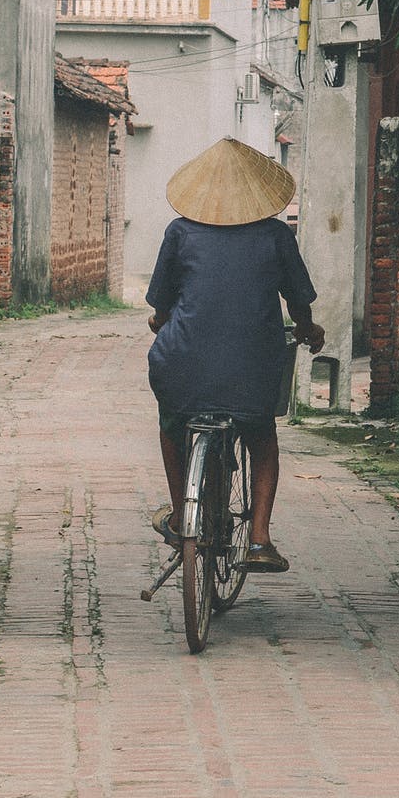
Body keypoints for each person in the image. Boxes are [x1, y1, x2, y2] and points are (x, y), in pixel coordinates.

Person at [145, 137, 325, 572]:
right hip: (253, 364)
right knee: (261, 436)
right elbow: (299, 302)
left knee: (172, 424)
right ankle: (260, 539)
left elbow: (161, 306)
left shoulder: (180, 232)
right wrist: (307, 329)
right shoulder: (276, 235)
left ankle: (179, 515)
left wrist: (160, 320)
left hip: (184, 363)